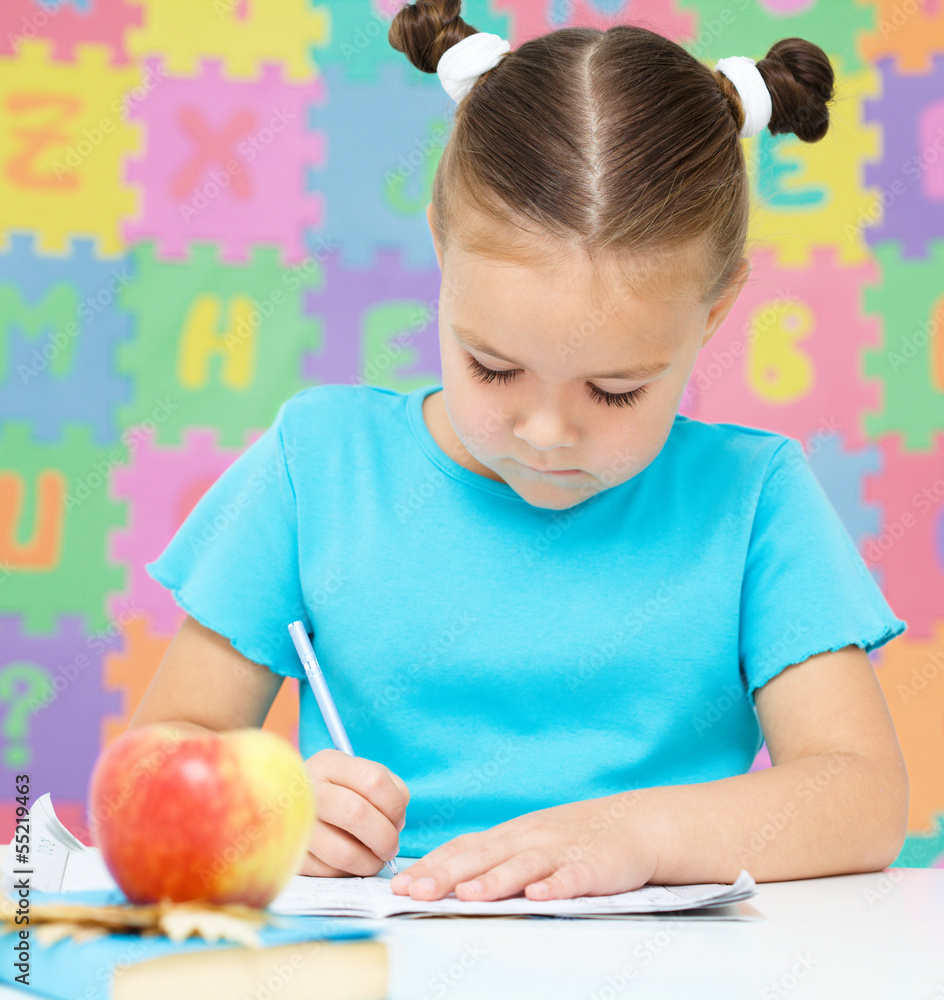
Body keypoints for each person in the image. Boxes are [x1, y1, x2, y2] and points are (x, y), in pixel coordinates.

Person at [130, 0, 909, 904]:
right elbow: (160, 758)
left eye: (615, 390)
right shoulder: (319, 464)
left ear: (717, 310)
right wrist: (259, 806)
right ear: (439, 246)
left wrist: (639, 834)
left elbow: (862, 796)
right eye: (493, 368)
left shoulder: (755, 498)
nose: (547, 433)